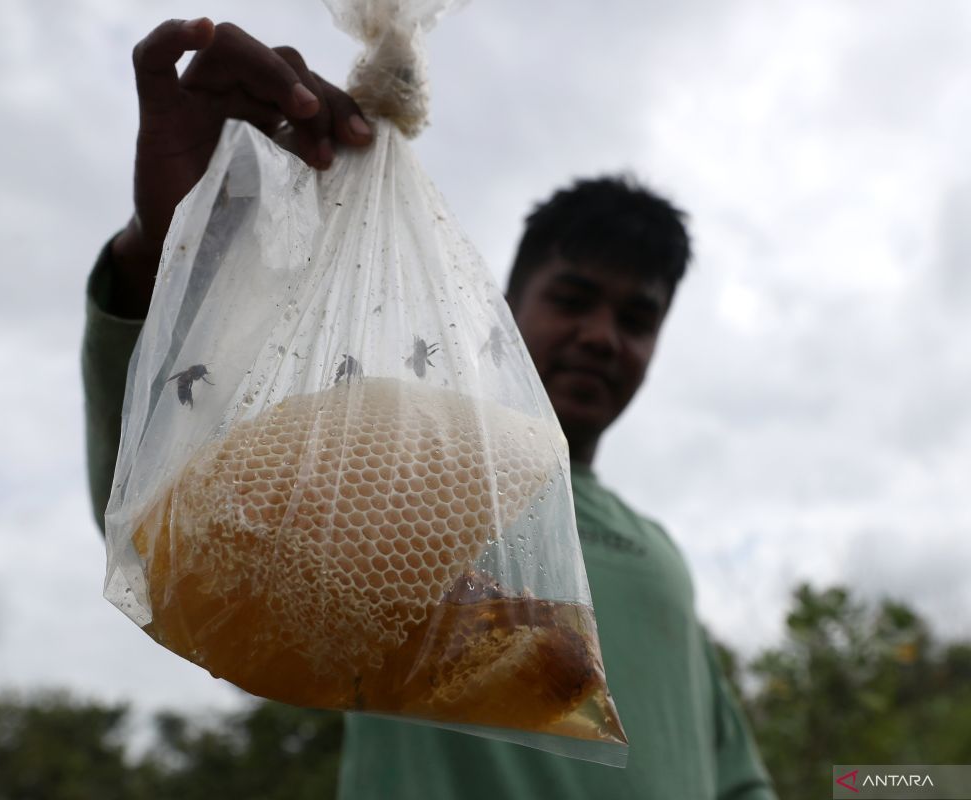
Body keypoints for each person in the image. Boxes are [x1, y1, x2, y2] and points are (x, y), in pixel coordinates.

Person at [81, 17, 778, 799]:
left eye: (636, 319)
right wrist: (167, 252)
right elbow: (178, 532)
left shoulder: (664, 559)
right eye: (574, 299)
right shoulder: (406, 470)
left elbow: (736, 776)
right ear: (506, 311)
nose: (602, 337)